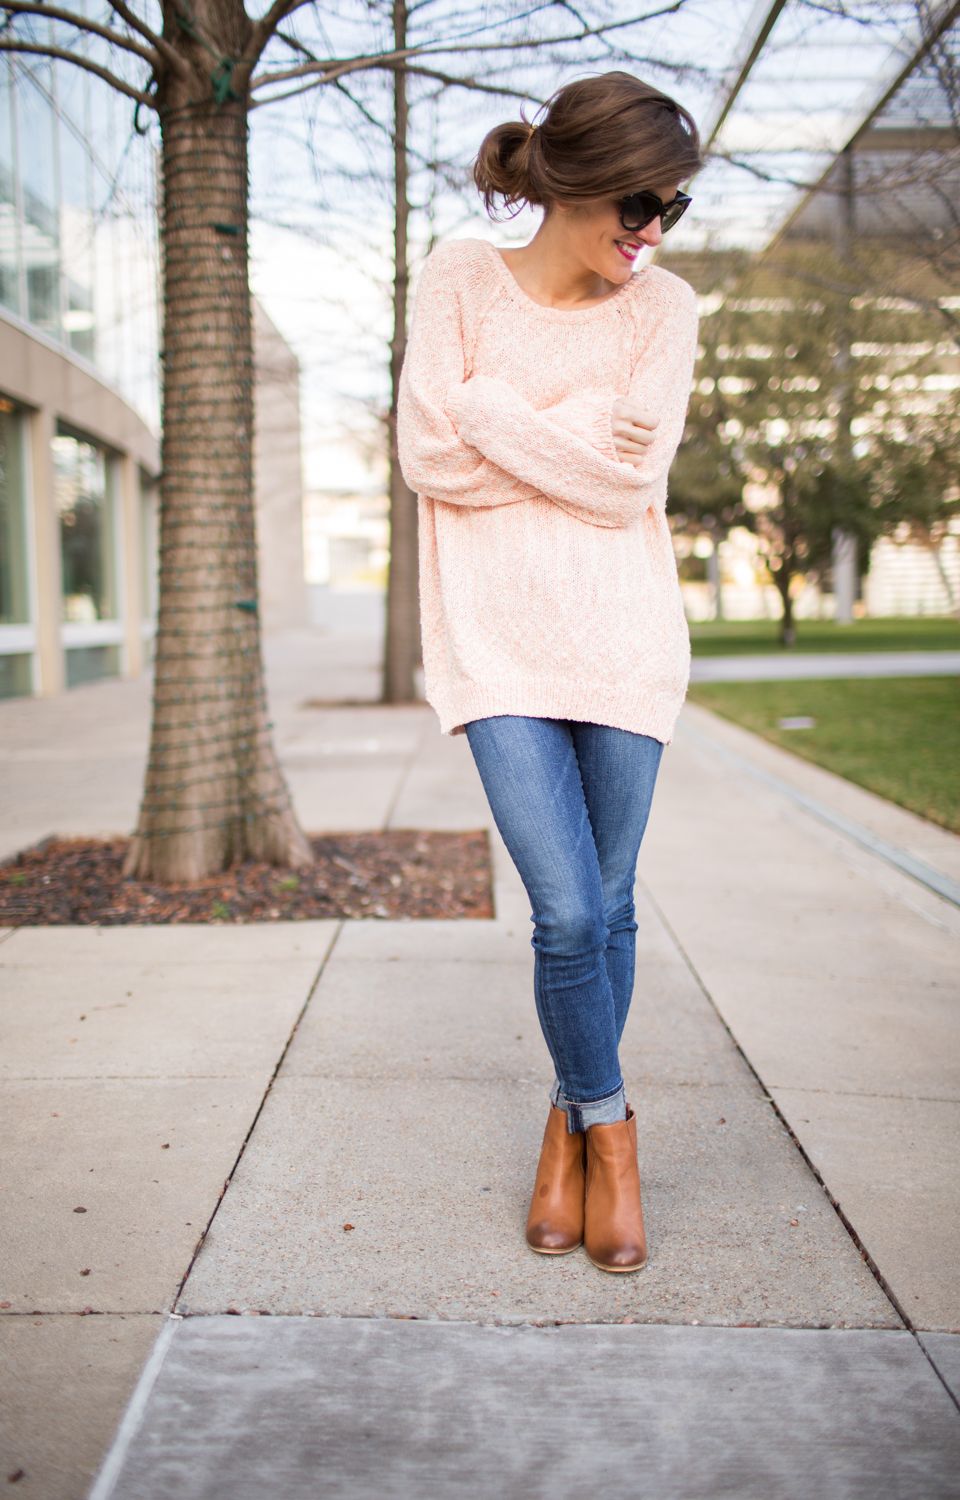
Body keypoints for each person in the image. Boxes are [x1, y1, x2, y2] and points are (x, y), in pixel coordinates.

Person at [397, 73, 702, 1273]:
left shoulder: (664, 308)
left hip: (624, 641)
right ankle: (613, 1129)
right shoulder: (458, 276)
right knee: (566, 912)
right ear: (567, 180)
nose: (652, 229)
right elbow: (430, 454)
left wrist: (489, 405)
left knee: (611, 905)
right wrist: (567, 419)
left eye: (670, 204)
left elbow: (632, 483)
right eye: (635, 199)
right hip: (495, 647)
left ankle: (566, 1129)